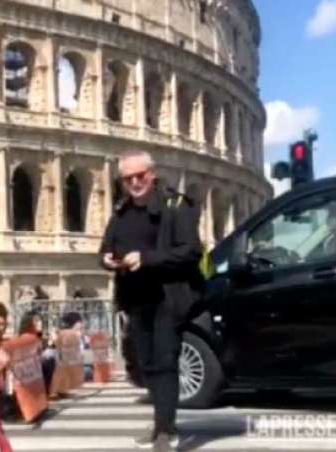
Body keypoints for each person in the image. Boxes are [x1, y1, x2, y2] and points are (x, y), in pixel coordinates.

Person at [99, 150, 203, 452]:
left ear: (152, 174)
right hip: (136, 299)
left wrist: (147, 259)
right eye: (127, 178)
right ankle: (160, 422)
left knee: (165, 362)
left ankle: (166, 431)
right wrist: (106, 260)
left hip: (167, 298)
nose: (134, 182)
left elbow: (190, 252)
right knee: (147, 365)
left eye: (140, 176)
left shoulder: (176, 207)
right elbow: (105, 248)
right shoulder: (120, 213)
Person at [17, 310, 56, 393]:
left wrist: (52, 345)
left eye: (40, 320)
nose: (40, 323)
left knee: (51, 356)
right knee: (49, 357)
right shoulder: (25, 338)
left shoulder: (40, 339)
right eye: (36, 321)